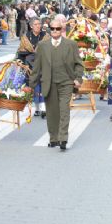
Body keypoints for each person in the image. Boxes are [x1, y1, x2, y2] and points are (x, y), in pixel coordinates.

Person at [29, 18, 84, 150]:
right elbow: (37, 68)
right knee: (52, 112)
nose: (54, 31)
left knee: (64, 110)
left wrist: (78, 78)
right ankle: (53, 138)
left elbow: (79, 64)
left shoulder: (71, 44)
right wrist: (30, 86)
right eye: (52, 29)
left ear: (62, 29)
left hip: (66, 82)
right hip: (49, 82)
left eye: (57, 28)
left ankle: (63, 138)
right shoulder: (43, 46)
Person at [17, 17, 49, 116]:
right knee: (34, 86)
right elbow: (20, 52)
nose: (38, 26)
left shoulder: (46, 36)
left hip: (43, 63)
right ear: (31, 26)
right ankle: (37, 108)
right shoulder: (25, 37)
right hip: (29, 65)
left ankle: (43, 108)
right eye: (35, 24)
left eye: (39, 24)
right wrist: (21, 64)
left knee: (43, 84)